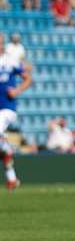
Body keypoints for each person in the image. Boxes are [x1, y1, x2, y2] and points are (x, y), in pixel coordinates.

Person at [0, 35, 32, 190]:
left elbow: (27, 79)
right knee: (2, 149)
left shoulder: (10, 60)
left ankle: (6, 147)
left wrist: (17, 90)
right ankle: (12, 178)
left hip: (7, 108)